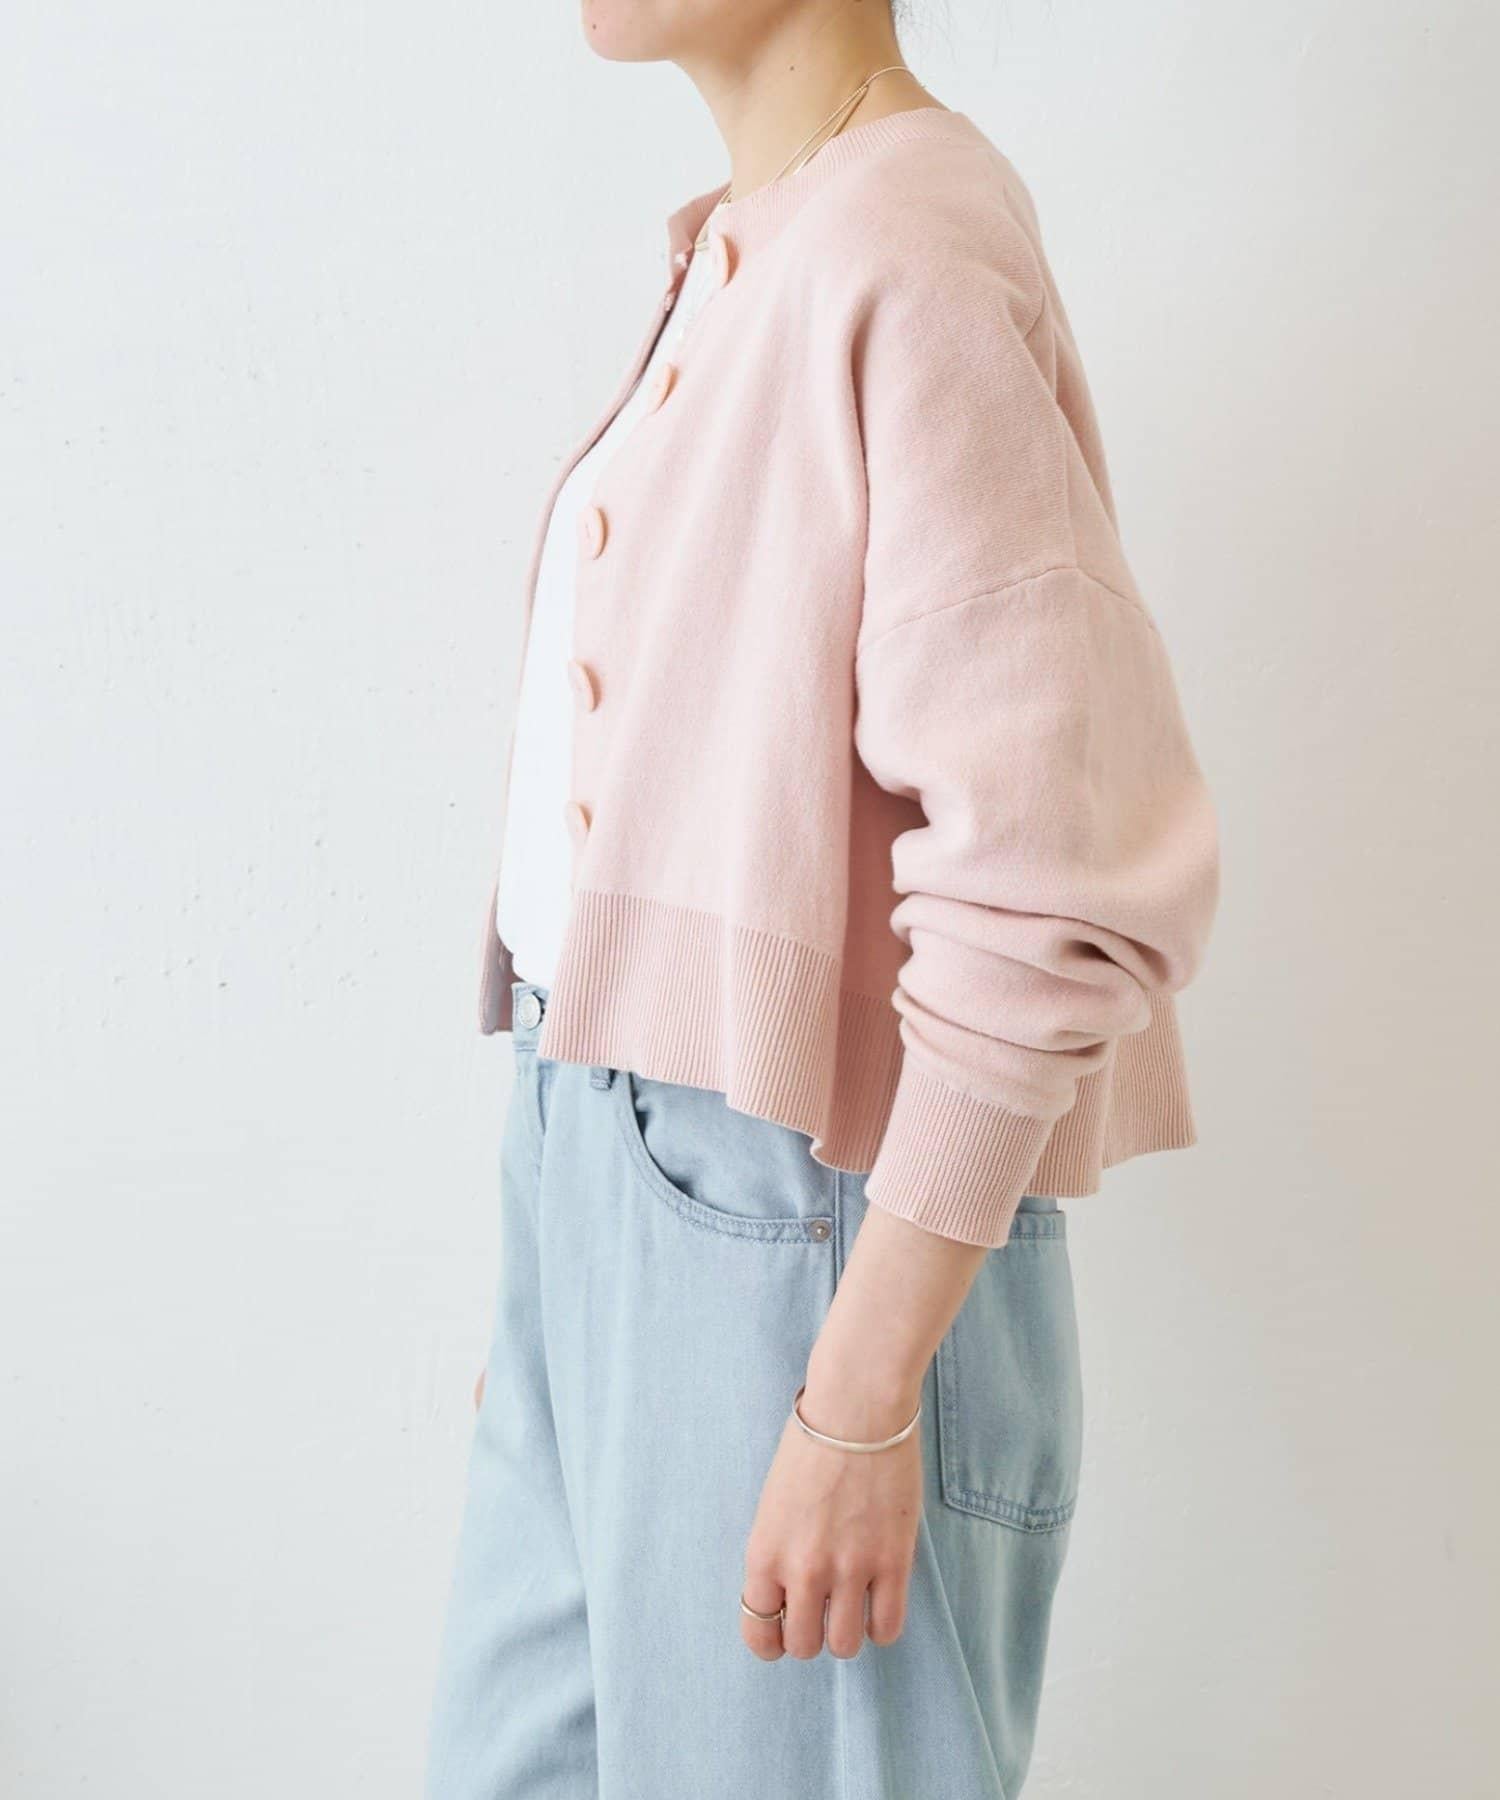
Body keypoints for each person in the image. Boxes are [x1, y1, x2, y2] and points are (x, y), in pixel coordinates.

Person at [426, 2, 1220, 1795]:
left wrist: (861, 1393)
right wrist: (563, 1298)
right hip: (607, 1172)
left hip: (807, 1225)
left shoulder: (909, 244)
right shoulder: (759, 241)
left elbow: (1054, 871)